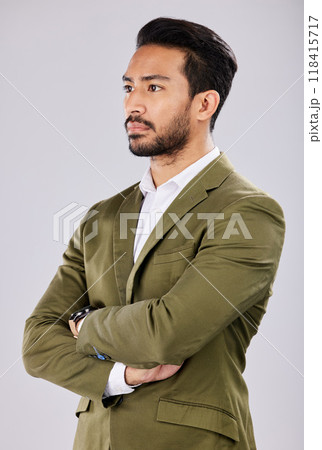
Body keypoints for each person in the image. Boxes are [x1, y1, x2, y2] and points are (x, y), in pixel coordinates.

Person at [23, 17, 285, 450]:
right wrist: (119, 375)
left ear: (204, 104)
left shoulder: (247, 211)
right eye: (129, 87)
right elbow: (36, 342)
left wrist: (85, 324)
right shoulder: (101, 218)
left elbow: (169, 333)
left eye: (154, 87)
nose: (133, 104)